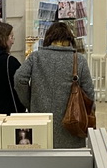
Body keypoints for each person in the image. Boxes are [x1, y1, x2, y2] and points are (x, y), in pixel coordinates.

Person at [14, 21, 95, 149]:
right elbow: (89, 93)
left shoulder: (36, 57)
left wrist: (29, 102)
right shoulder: (79, 60)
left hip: (40, 122)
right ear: (69, 39)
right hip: (71, 126)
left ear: (48, 38)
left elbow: (19, 78)